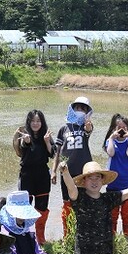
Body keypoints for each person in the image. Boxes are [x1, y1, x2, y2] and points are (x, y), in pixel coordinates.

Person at [51, 96, 94, 235]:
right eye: (77, 107)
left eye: (83, 108)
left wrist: (88, 127)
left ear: (87, 111)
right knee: (67, 204)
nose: (80, 110)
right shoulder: (63, 129)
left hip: (84, 173)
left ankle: (83, 234)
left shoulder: (85, 127)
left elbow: (89, 130)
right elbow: (57, 153)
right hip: (66, 173)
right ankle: (68, 235)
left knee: (84, 203)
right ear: (72, 109)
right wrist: (53, 171)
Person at [13, 110, 55, 244]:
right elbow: (21, 149)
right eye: (33, 121)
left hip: (42, 174)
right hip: (27, 174)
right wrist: (26, 141)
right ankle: (24, 235)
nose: (36, 123)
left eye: (38, 121)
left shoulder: (46, 135)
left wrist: (47, 142)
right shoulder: (23, 134)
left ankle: (40, 237)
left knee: (42, 207)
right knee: (25, 206)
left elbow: (53, 154)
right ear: (29, 122)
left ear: (42, 123)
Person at [103, 113, 128, 238]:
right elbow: (111, 153)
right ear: (114, 129)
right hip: (113, 183)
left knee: (127, 214)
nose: (121, 130)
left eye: (124, 128)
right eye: (118, 128)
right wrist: (112, 138)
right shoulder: (110, 141)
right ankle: (112, 239)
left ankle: (127, 238)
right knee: (112, 215)